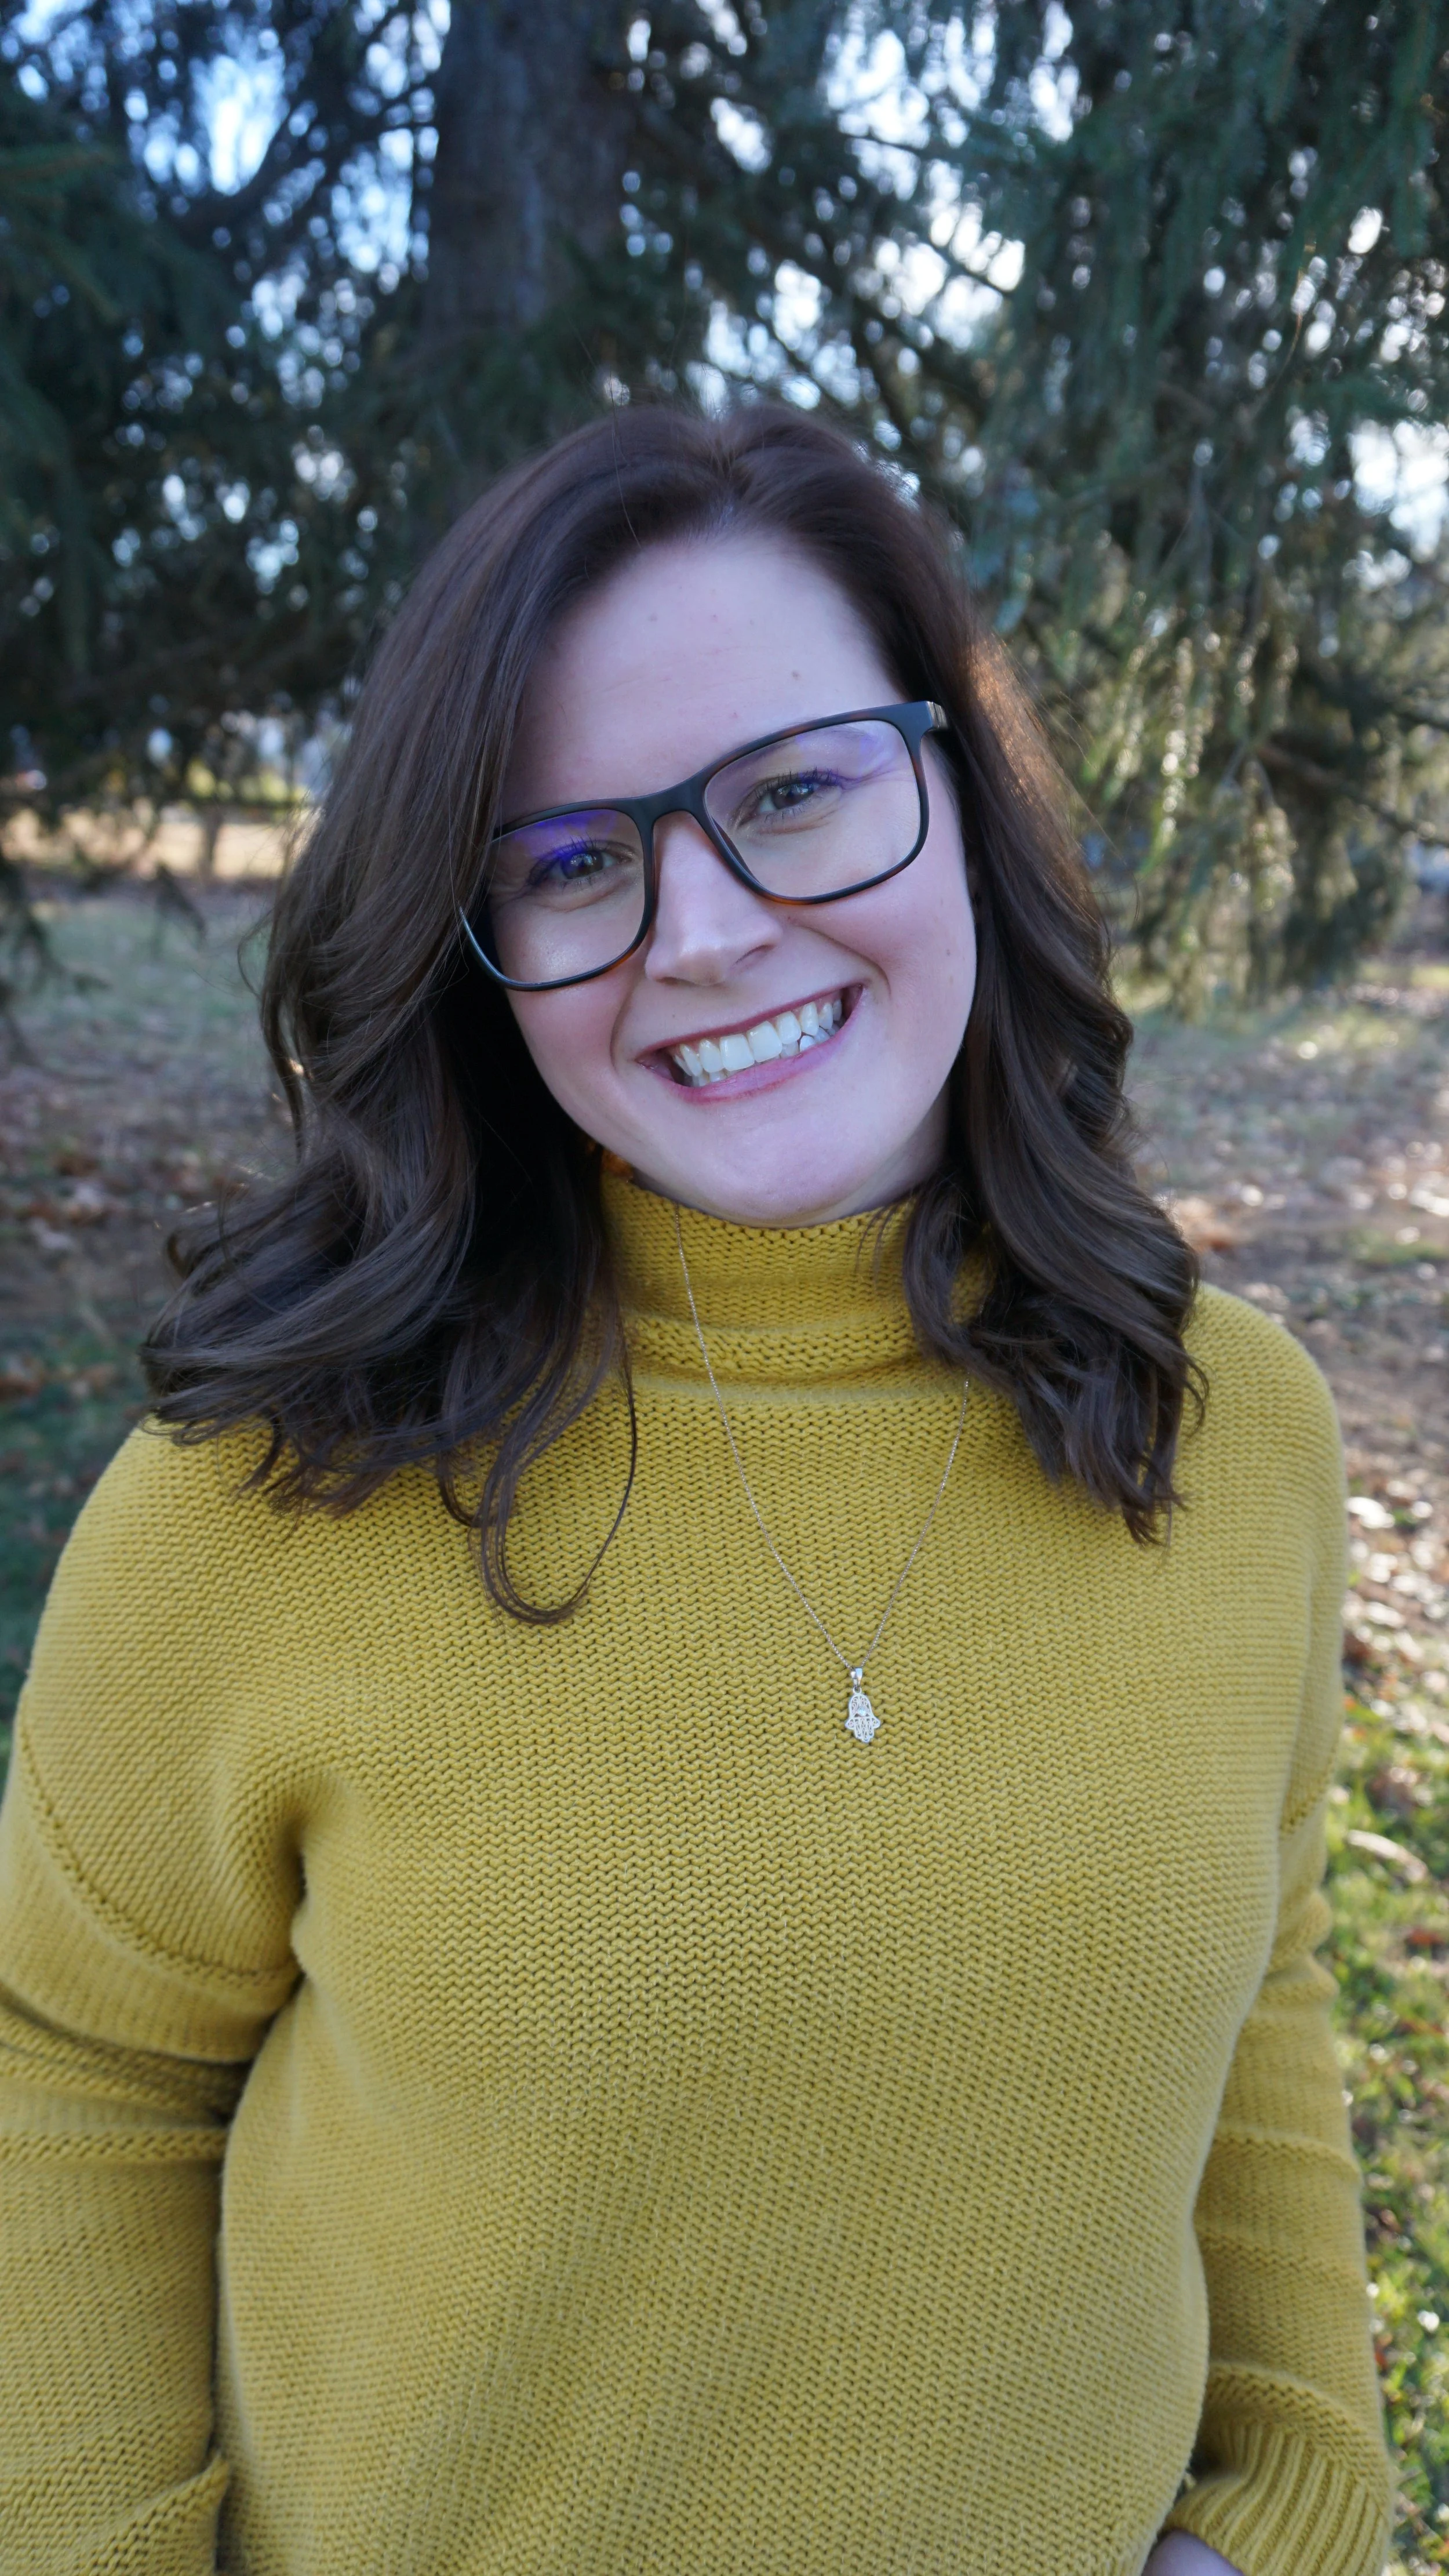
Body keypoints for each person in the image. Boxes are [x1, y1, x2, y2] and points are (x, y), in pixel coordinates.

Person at [0, 405, 1389, 2576]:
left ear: (957, 793)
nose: (711, 931)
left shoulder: (1233, 1430)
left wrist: (1292, 2494)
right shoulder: (258, 1500)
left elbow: (1267, 1984)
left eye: (793, 793)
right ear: (474, 951)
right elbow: (67, 2079)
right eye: (570, 861)